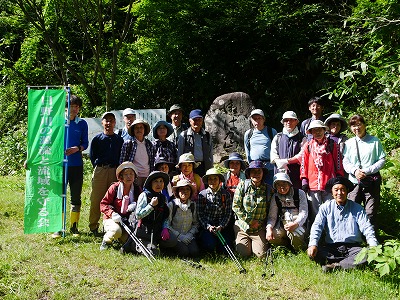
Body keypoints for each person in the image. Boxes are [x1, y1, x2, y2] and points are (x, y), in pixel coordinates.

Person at [307, 176, 378, 272]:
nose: (339, 193)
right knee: (315, 252)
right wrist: (313, 244)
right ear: (332, 192)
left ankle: (336, 266)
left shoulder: (357, 208)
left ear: (347, 191)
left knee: (367, 255)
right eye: (336, 190)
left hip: (353, 247)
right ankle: (346, 264)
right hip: (331, 248)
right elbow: (317, 226)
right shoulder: (325, 207)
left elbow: (367, 227)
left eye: (343, 190)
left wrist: (373, 246)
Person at [53, 94, 89, 238]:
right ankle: (58, 227)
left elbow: (85, 143)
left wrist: (77, 148)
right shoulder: (58, 122)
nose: (74, 109)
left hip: (76, 164)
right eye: (72, 106)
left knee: (76, 196)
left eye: (77, 107)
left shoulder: (82, 124)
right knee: (60, 195)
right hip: (60, 165)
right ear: (66, 107)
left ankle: (74, 227)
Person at [342, 115, 386, 227]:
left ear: (364, 125)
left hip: (371, 181)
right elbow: (345, 162)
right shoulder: (349, 143)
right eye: (353, 126)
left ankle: (369, 238)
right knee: (351, 209)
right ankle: (354, 237)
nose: (356, 128)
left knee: (370, 211)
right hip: (354, 182)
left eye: (359, 124)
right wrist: (355, 171)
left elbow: (381, 160)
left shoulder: (375, 141)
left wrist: (367, 171)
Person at [300, 119, 344, 224]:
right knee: (315, 213)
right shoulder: (308, 145)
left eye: (319, 130)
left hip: (329, 183)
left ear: (324, 130)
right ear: (311, 133)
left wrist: (338, 179)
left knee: (331, 210)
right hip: (313, 184)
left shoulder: (332, 144)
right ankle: (318, 236)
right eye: (314, 130)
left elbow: (338, 163)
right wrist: (304, 180)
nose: (317, 132)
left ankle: (331, 235)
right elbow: (303, 164)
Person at [89, 112, 124, 237]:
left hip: (114, 171)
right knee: (96, 199)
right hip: (100, 170)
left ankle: (109, 227)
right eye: (106, 120)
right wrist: (99, 168)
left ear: (115, 123)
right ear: (102, 123)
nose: (109, 123)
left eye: (111, 120)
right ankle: (93, 226)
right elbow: (92, 156)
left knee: (113, 200)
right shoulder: (97, 139)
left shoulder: (119, 140)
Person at [232, 160, 273, 258]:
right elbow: (236, 206)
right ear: (249, 173)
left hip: (259, 228)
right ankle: (237, 241)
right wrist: (250, 221)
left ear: (263, 173)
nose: (256, 174)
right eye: (253, 171)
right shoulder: (243, 185)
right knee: (244, 254)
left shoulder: (268, 189)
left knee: (261, 255)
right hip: (243, 226)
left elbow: (271, 210)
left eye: (259, 171)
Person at [99, 162, 141, 251]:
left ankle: (118, 238)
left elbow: (141, 204)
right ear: (121, 176)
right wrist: (112, 214)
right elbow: (103, 204)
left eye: (131, 174)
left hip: (127, 221)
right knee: (116, 231)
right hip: (112, 218)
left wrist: (135, 204)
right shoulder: (114, 187)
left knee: (128, 239)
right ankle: (106, 241)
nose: (129, 177)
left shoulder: (137, 189)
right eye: (126, 174)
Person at [266, 172, 308, 251]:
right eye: (278, 185)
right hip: (282, 223)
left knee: (296, 233)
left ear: (289, 183)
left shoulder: (300, 193)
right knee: (272, 237)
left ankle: (299, 249)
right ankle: (286, 246)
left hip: (298, 223)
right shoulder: (275, 197)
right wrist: (269, 228)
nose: (282, 187)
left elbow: (304, 212)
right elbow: (272, 216)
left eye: (284, 184)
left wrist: (296, 224)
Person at [135, 171, 172, 256]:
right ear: (150, 183)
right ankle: (136, 244)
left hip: (157, 230)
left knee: (172, 241)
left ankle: (156, 244)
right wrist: (151, 206)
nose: (159, 184)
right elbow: (138, 215)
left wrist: (165, 228)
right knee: (154, 253)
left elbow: (165, 216)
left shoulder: (163, 198)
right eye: (156, 181)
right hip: (145, 232)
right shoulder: (144, 195)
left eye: (161, 181)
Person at [197, 168, 233, 253]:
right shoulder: (202, 195)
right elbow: (200, 214)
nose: (212, 181)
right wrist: (208, 226)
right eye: (210, 179)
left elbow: (228, 213)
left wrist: (221, 226)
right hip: (207, 227)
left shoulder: (226, 194)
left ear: (220, 180)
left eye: (215, 179)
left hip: (222, 227)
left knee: (225, 250)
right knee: (209, 245)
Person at [270, 111, 306, 189]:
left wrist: (288, 161)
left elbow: (302, 154)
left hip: (296, 173)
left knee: (296, 195)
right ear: (283, 122)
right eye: (286, 120)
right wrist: (279, 162)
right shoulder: (278, 137)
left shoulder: (302, 138)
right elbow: (273, 153)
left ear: (296, 121)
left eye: (291, 120)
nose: (288, 122)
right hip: (280, 172)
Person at [165, 179, 200, 257]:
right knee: (184, 252)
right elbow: (167, 224)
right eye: (182, 189)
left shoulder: (193, 205)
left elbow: (196, 223)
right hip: (176, 236)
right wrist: (179, 236)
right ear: (177, 192)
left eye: (187, 189)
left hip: (189, 236)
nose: (185, 191)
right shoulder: (172, 205)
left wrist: (190, 235)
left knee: (194, 252)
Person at [244, 109, 277, 186]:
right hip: (254, 167)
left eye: (259, 118)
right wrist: (250, 164)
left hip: (269, 167)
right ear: (251, 120)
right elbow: (247, 150)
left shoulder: (271, 131)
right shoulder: (248, 133)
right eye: (254, 119)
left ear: (264, 119)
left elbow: (277, 149)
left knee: (269, 189)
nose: (257, 121)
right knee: (255, 190)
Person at [119, 119, 154, 188]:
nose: (139, 130)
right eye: (136, 128)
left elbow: (152, 160)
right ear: (133, 130)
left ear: (144, 130)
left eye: (141, 127)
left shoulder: (149, 144)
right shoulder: (128, 143)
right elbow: (122, 162)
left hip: (148, 176)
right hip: (134, 177)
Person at [178, 109, 213, 177]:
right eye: (195, 120)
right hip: (189, 167)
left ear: (202, 121)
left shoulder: (207, 135)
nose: (197, 122)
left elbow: (210, 153)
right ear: (190, 121)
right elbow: (180, 153)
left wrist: (211, 168)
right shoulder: (184, 135)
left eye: (199, 120)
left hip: (204, 167)